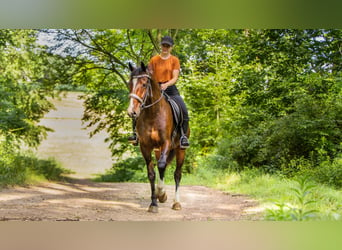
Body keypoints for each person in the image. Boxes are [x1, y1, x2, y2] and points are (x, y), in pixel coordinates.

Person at [128, 35, 190, 148]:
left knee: (183, 109)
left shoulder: (174, 60)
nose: (165, 48)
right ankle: (135, 134)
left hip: (170, 88)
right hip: (155, 88)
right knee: (138, 106)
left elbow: (175, 77)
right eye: (163, 45)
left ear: (171, 47)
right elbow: (148, 73)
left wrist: (166, 84)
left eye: (167, 46)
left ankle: (183, 136)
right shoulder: (154, 59)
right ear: (160, 46)